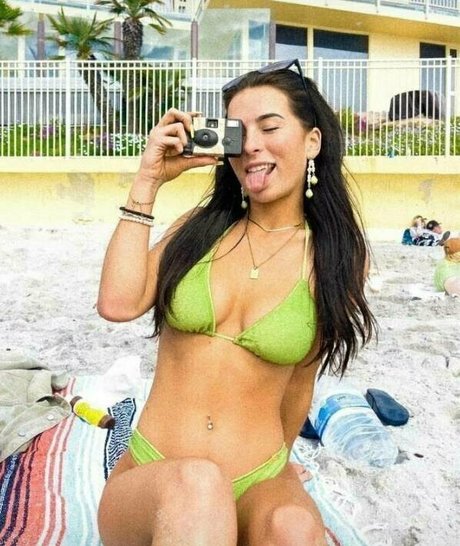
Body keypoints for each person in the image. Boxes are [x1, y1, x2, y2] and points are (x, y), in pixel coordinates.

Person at [96, 59, 376, 546]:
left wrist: (281, 468)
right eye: (238, 133)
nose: (251, 146)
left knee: (294, 529)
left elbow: (300, 381)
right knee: (198, 485)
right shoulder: (198, 230)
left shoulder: (337, 258)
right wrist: (147, 182)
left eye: (270, 127)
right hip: (158, 476)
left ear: (312, 141)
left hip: (255, 477)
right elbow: (117, 304)